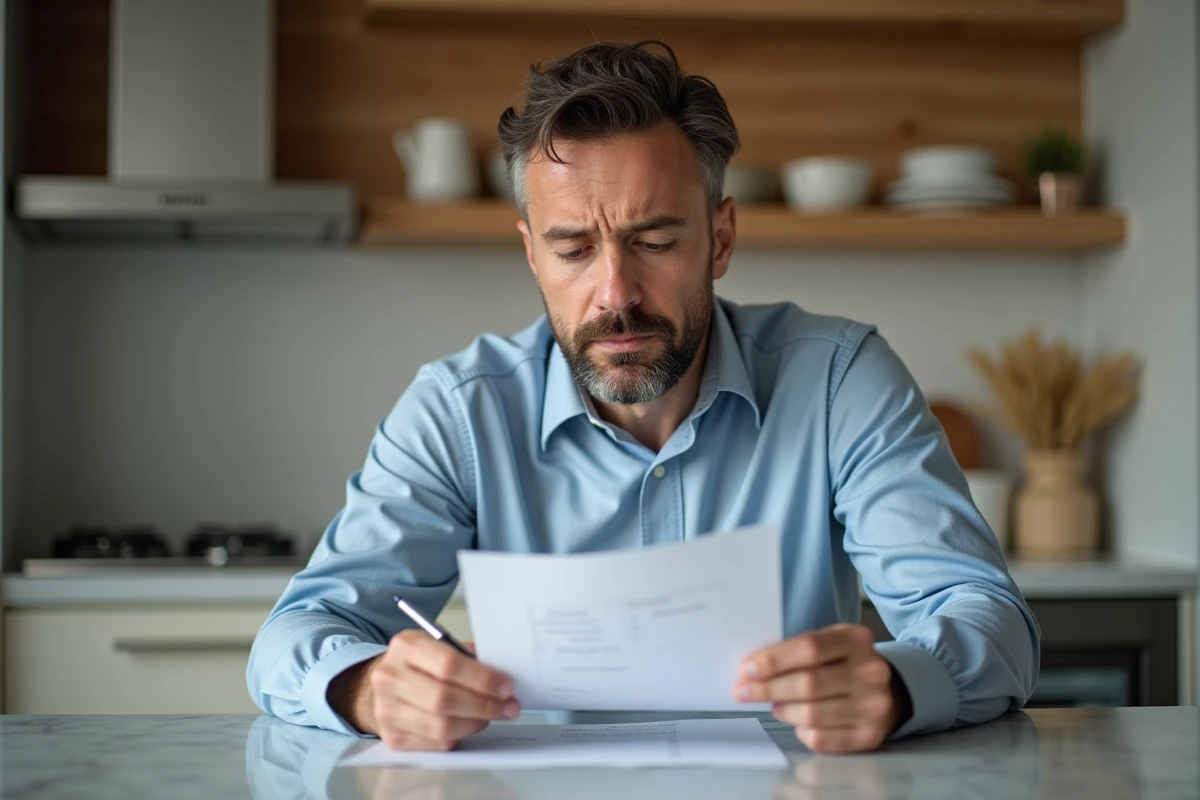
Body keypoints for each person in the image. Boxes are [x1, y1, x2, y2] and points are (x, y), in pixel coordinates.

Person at [247, 40, 1039, 755]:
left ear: (720, 239)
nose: (614, 293)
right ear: (531, 255)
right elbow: (296, 636)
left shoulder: (840, 380)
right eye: (573, 248)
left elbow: (987, 618)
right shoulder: (459, 411)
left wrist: (899, 685)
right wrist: (366, 688)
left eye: (655, 242)